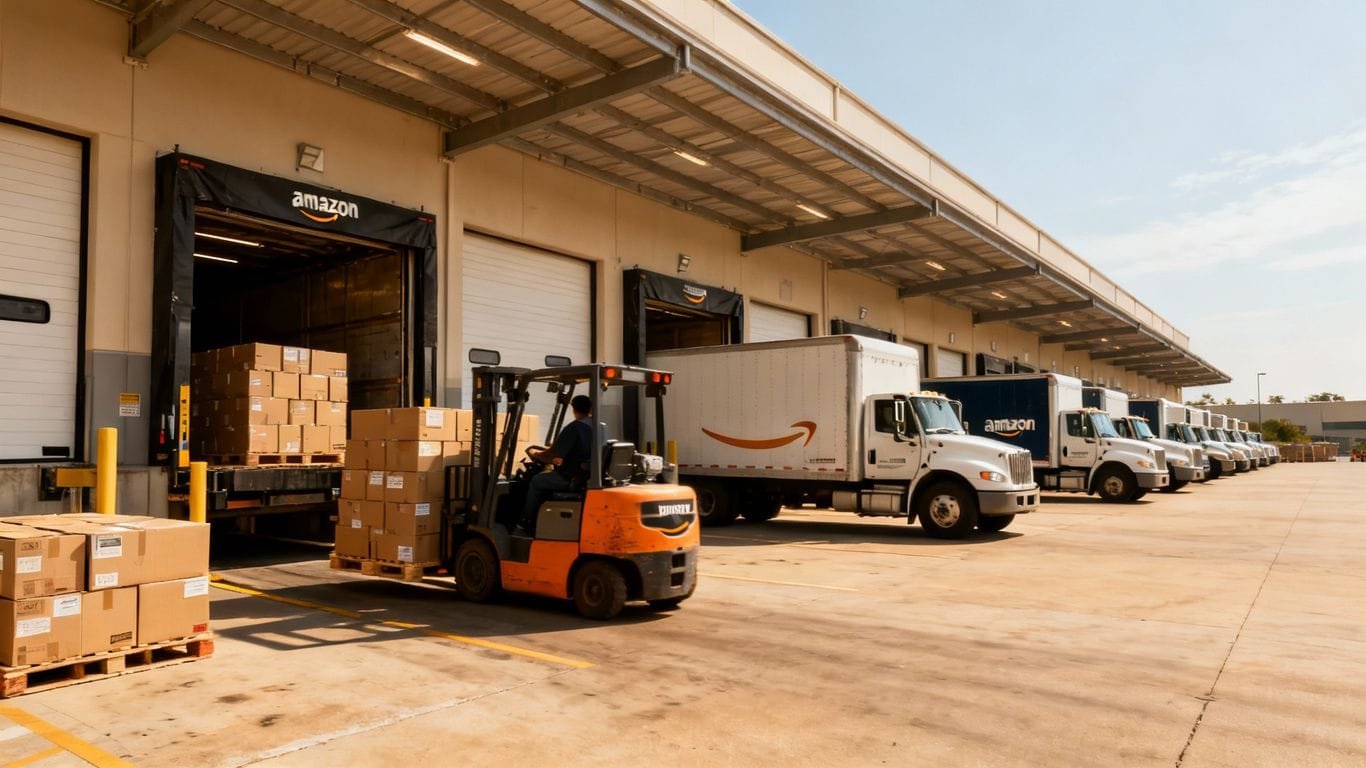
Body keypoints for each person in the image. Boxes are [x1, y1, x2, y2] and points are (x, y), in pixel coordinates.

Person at [519, 394, 594, 533]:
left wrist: (536, 454)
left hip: (571, 478)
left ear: (573, 408)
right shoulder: (599, 427)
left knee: (536, 480)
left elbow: (553, 455)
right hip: (587, 475)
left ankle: (526, 521)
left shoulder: (575, 428)